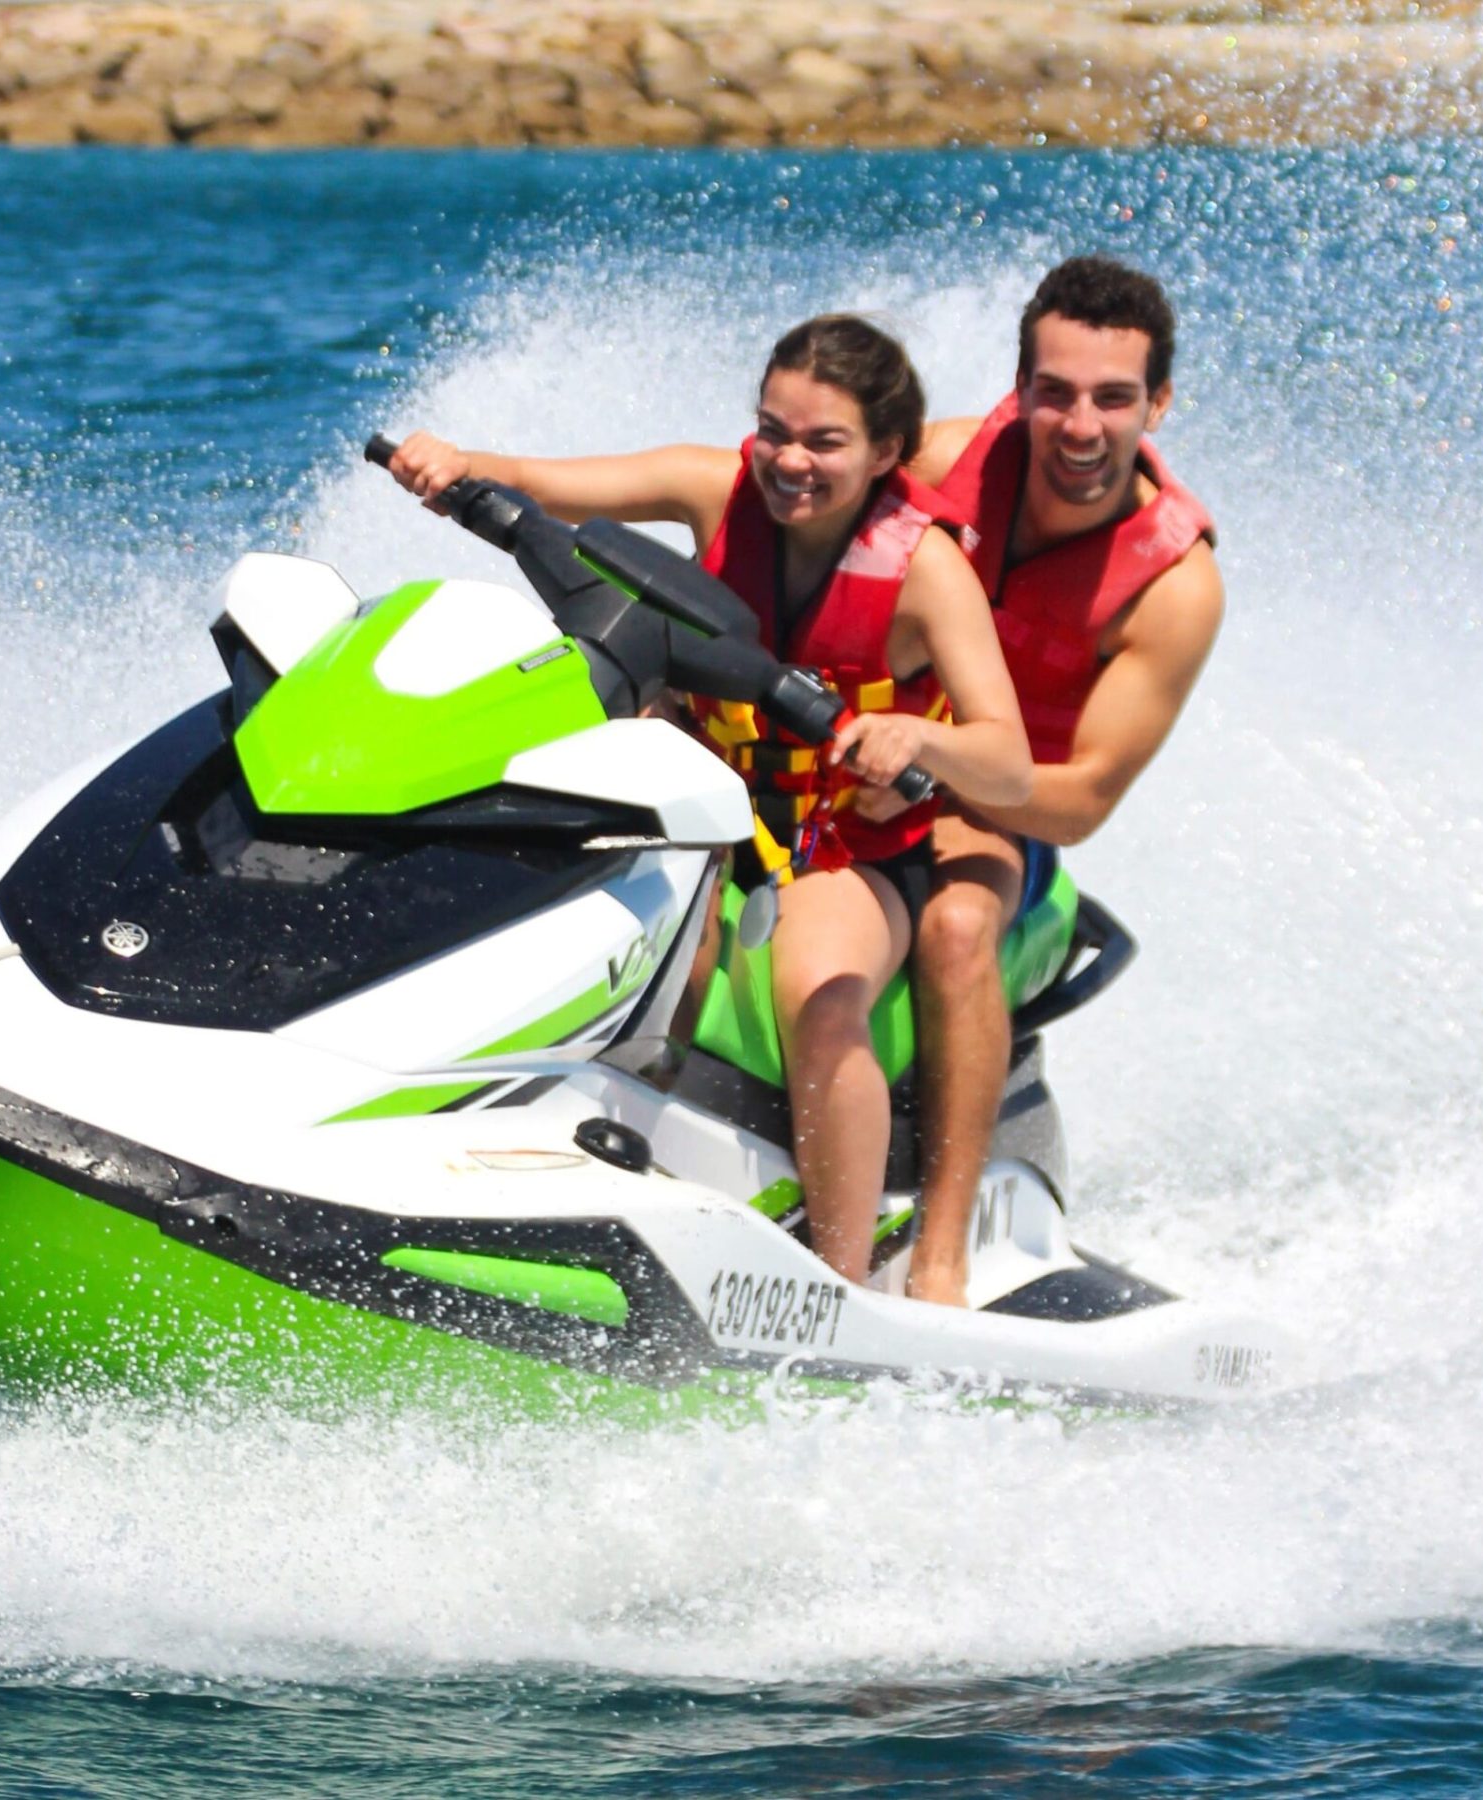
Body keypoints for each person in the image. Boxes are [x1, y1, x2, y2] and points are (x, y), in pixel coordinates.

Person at [385, 316, 1031, 1285]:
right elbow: (549, 483)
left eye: (824, 442)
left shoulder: (925, 569)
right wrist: (457, 461)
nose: (787, 461)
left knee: (819, 997)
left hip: (844, 844)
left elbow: (1009, 759)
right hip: (711, 804)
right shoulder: (715, 486)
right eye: (773, 430)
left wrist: (919, 737)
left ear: (887, 451)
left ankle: (843, 1283)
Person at [892, 256, 1223, 1307]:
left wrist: (936, 760)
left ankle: (940, 1258)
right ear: (1022, 388)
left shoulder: (1172, 589)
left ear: (1157, 403)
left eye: (1114, 399)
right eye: (1056, 393)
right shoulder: (945, 464)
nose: (1081, 427)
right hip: (852, 748)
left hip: (1004, 810)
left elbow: (1078, 803)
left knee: (952, 930)